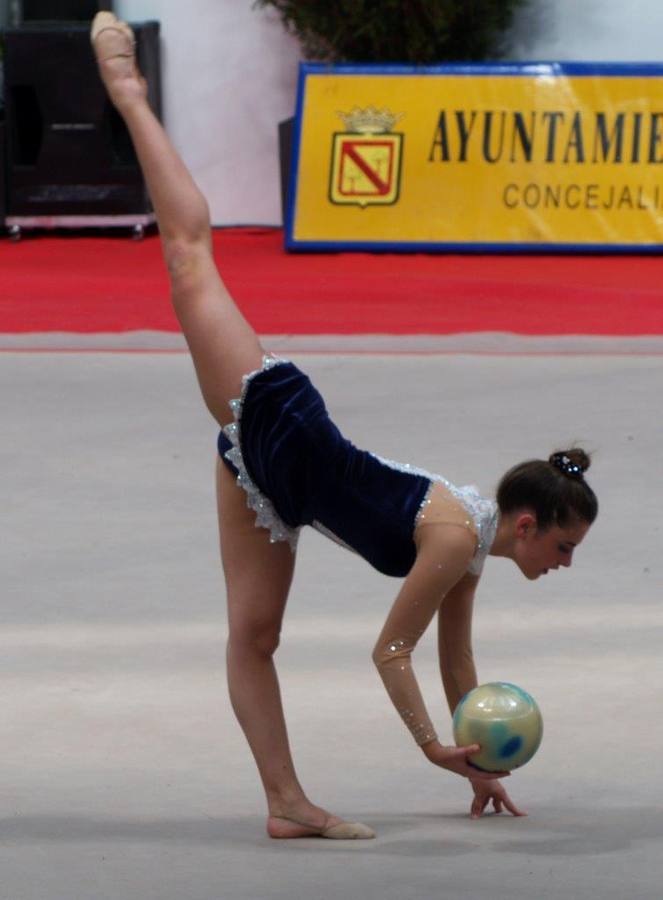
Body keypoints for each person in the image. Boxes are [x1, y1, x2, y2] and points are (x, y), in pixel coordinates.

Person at [91, 13, 598, 841]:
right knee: (189, 255)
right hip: (283, 424)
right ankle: (130, 94)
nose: (564, 564)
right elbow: (390, 652)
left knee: (254, 636)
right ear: (527, 523)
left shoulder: (468, 550)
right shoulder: (448, 537)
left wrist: (477, 761)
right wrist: (432, 746)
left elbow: (456, 665)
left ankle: (286, 803)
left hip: (278, 486)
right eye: (563, 547)